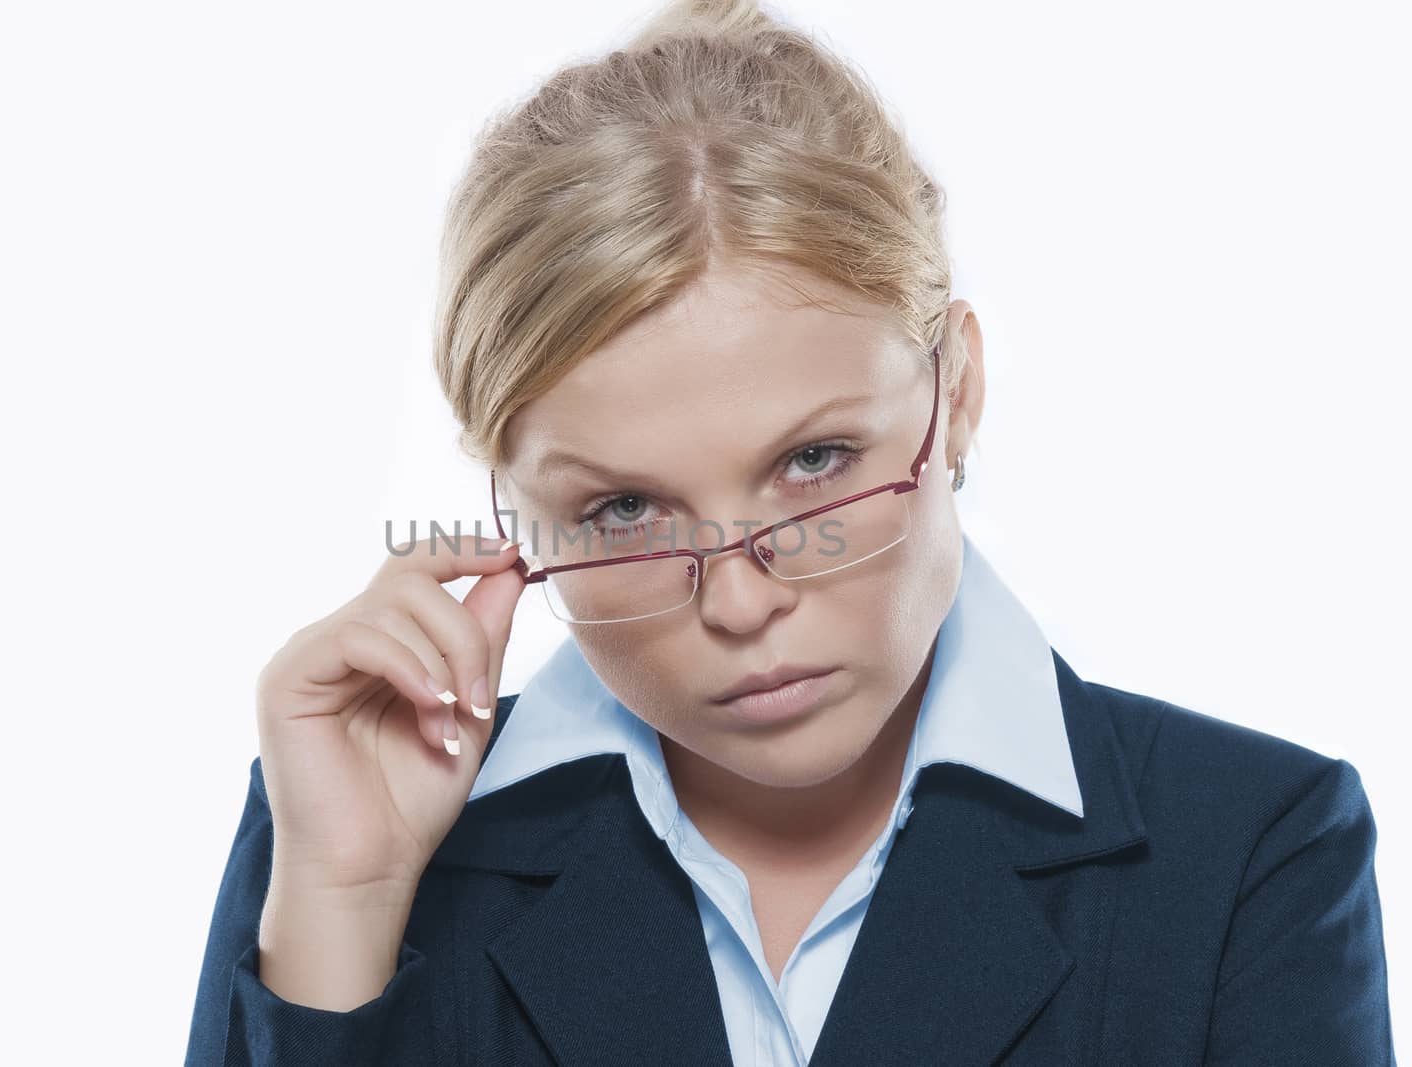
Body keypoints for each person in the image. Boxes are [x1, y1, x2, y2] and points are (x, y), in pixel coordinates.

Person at [185, 1, 1395, 1063]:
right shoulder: (333, 837)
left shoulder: (1246, 852)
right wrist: (346, 906)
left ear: (954, 390)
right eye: (621, 508)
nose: (740, 602)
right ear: (509, 512)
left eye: (813, 462)